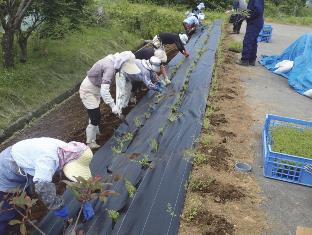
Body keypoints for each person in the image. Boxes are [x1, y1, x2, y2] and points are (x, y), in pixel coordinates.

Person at [0, 138, 94, 233]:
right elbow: (42, 188)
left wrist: (84, 199)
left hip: (24, 162)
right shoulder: (48, 160)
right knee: (9, 209)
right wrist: (58, 206)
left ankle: (21, 221)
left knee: (24, 200)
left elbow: (72, 178)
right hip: (6, 170)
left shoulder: (68, 151)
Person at [79, 51, 135, 149]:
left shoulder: (112, 61)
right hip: (88, 91)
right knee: (95, 116)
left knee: (94, 113)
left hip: (95, 89)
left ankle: (96, 131)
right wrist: (113, 106)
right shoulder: (110, 68)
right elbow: (104, 91)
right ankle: (90, 142)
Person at [237, 0, 264, 66]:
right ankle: (252, 60)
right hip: (256, 22)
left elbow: (258, 10)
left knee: (247, 41)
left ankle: (245, 60)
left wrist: (249, 16)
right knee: (253, 41)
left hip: (254, 23)